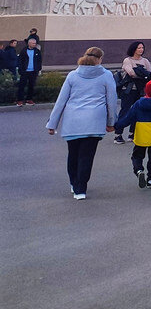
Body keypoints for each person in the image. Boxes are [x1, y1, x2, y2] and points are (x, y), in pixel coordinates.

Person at [46, 47, 118, 199]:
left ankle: (74, 183)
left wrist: (52, 124)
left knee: (73, 154)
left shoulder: (72, 75)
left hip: (73, 121)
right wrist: (111, 122)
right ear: (100, 59)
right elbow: (111, 101)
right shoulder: (106, 75)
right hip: (94, 120)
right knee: (87, 156)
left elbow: (61, 101)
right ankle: (81, 188)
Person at [114, 42, 151, 142]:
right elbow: (131, 73)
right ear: (133, 49)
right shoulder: (127, 60)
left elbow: (150, 74)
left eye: (142, 48)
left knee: (138, 111)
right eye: (138, 48)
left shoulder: (145, 61)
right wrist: (143, 74)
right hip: (128, 90)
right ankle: (118, 134)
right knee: (125, 111)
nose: (141, 49)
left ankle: (132, 133)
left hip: (140, 90)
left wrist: (141, 73)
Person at [15, 35, 42, 106]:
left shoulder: (37, 51)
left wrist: (38, 69)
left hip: (33, 71)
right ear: (29, 43)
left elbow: (39, 61)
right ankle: (19, 100)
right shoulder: (24, 51)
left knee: (31, 86)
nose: (35, 44)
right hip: (25, 71)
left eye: (35, 43)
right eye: (33, 43)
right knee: (22, 86)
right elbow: (20, 61)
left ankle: (29, 99)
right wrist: (21, 70)